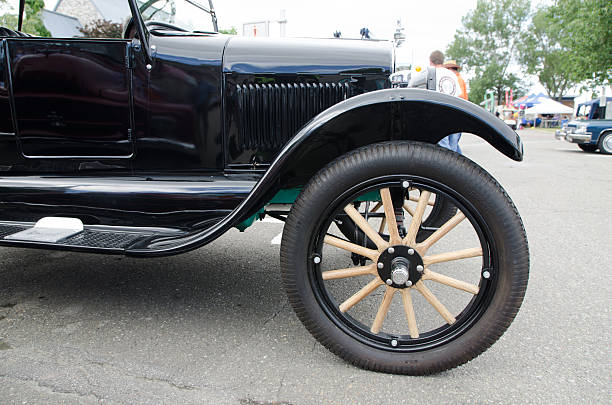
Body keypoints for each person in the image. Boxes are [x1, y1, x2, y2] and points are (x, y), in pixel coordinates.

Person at [429, 51, 464, 154]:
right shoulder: (452, 75)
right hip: (454, 113)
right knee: (453, 149)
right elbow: (459, 96)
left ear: (430, 62)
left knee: (444, 151)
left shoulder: (430, 73)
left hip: (438, 114)